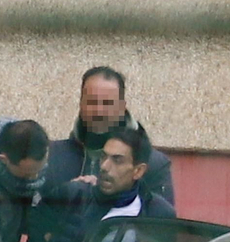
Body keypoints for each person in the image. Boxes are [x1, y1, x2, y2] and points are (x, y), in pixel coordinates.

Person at [39, 126, 177, 242]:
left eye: (117, 160)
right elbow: (36, 234)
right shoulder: (75, 196)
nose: (104, 166)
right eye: (103, 157)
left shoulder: (157, 213)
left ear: (138, 171)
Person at [41, 66, 175, 213]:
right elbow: (35, 223)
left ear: (122, 107)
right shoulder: (51, 156)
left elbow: (161, 227)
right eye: (92, 102)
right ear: (80, 104)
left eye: (107, 103)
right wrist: (65, 195)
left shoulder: (152, 163)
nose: (99, 111)